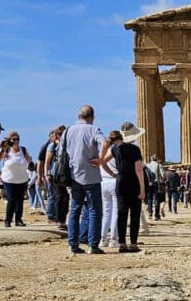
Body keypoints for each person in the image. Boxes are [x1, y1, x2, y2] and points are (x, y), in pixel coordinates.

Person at [60, 105, 105, 256]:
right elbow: (105, 143)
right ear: (92, 117)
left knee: (74, 210)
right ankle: (93, 245)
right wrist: (100, 159)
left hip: (73, 176)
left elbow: (60, 152)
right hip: (91, 175)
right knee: (94, 211)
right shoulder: (93, 129)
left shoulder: (67, 131)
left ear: (78, 116)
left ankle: (73, 245)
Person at [102, 124, 146, 252]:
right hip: (133, 182)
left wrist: (112, 174)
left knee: (121, 213)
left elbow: (103, 161)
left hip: (120, 182)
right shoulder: (135, 149)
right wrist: (142, 188)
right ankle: (133, 244)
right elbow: (138, 169)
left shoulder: (115, 148)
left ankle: (122, 243)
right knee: (135, 214)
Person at [0, 132, 33, 227]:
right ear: (10, 140)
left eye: (17, 139)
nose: (16, 141)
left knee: (20, 200)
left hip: (22, 179)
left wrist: (29, 160)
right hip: (9, 180)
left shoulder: (23, 150)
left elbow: (29, 160)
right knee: (11, 200)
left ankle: (18, 220)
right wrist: (3, 149)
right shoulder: (6, 150)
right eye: (14, 139)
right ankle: (8, 220)